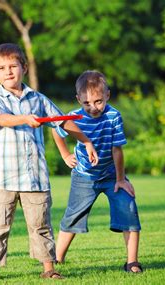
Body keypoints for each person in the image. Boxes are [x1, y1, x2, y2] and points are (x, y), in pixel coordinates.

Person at [0, 43, 99, 280]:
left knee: (41, 225)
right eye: (2, 68)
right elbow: (1, 119)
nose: (8, 71)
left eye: (13, 66)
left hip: (35, 177)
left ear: (24, 67)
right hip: (4, 178)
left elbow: (62, 121)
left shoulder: (38, 99)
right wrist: (25, 118)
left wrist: (86, 141)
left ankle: (48, 269)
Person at [52, 70, 143, 273]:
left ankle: (132, 262)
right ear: (78, 99)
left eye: (98, 101)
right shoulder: (74, 117)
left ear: (107, 95)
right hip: (84, 177)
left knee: (128, 209)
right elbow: (56, 129)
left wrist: (121, 180)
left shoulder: (113, 117)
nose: (93, 107)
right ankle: (57, 258)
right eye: (86, 103)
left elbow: (117, 150)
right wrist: (66, 154)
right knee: (73, 216)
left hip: (112, 175)